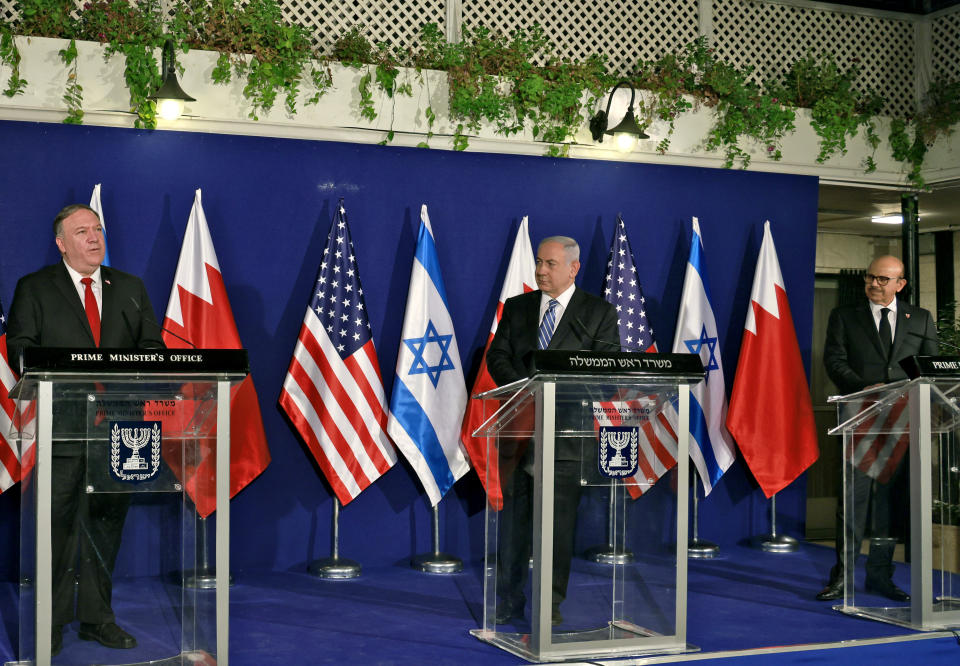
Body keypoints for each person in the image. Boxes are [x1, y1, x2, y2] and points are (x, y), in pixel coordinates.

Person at [7, 203, 165, 655]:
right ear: (61, 243)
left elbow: (152, 348)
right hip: (65, 428)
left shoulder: (129, 288)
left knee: (106, 528)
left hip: (123, 431)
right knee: (57, 530)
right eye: (82, 231)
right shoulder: (35, 288)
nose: (94, 237)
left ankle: (98, 618)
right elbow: (21, 350)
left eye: (97, 229)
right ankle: (52, 622)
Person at [486, 235, 619, 626]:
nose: (541, 271)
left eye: (550, 264)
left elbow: (608, 375)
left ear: (573, 268)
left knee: (558, 530)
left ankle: (550, 605)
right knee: (514, 527)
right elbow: (498, 355)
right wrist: (527, 389)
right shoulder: (518, 307)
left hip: (567, 439)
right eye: (539, 263)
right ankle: (509, 601)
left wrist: (556, 389)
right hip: (519, 434)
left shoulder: (597, 313)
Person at [817, 254, 938, 602]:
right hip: (860, 418)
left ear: (900, 284)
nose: (874, 284)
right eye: (871, 277)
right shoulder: (845, 316)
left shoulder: (921, 319)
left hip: (902, 424)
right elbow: (834, 360)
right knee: (852, 503)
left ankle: (881, 576)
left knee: (888, 505)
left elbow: (926, 368)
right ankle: (843, 577)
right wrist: (864, 388)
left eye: (883, 279)